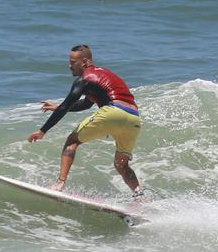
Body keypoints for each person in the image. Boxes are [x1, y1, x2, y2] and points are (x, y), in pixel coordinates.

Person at [27, 45, 144, 196]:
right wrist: (57, 107)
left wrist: (43, 130)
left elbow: (66, 105)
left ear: (84, 61)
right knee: (121, 164)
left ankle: (59, 184)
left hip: (113, 112)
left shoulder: (84, 79)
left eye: (73, 62)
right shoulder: (104, 73)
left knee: (71, 141)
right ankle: (139, 196)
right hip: (134, 118)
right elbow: (86, 104)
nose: (70, 66)